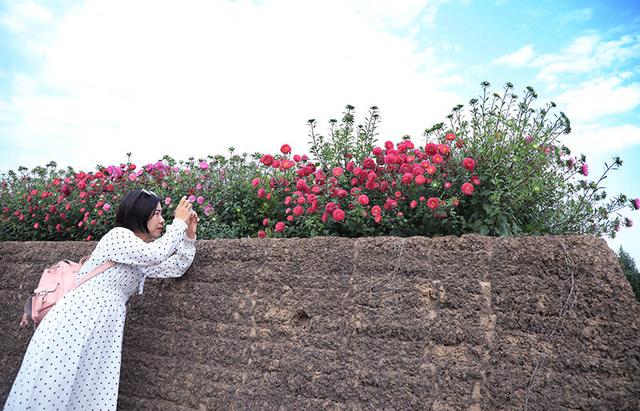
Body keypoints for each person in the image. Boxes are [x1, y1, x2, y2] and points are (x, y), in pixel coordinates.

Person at [4, 189, 198, 410]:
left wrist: (188, 235)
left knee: (88, 388)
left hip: (102, 327)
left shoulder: (139, 252)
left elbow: (176, 266)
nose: (162, 220)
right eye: (156, 213)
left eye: (163, 214)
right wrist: (179, 223)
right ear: (139, 213)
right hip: (76, 321)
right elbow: (156, 254)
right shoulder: (119, 237)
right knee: (54, 382)